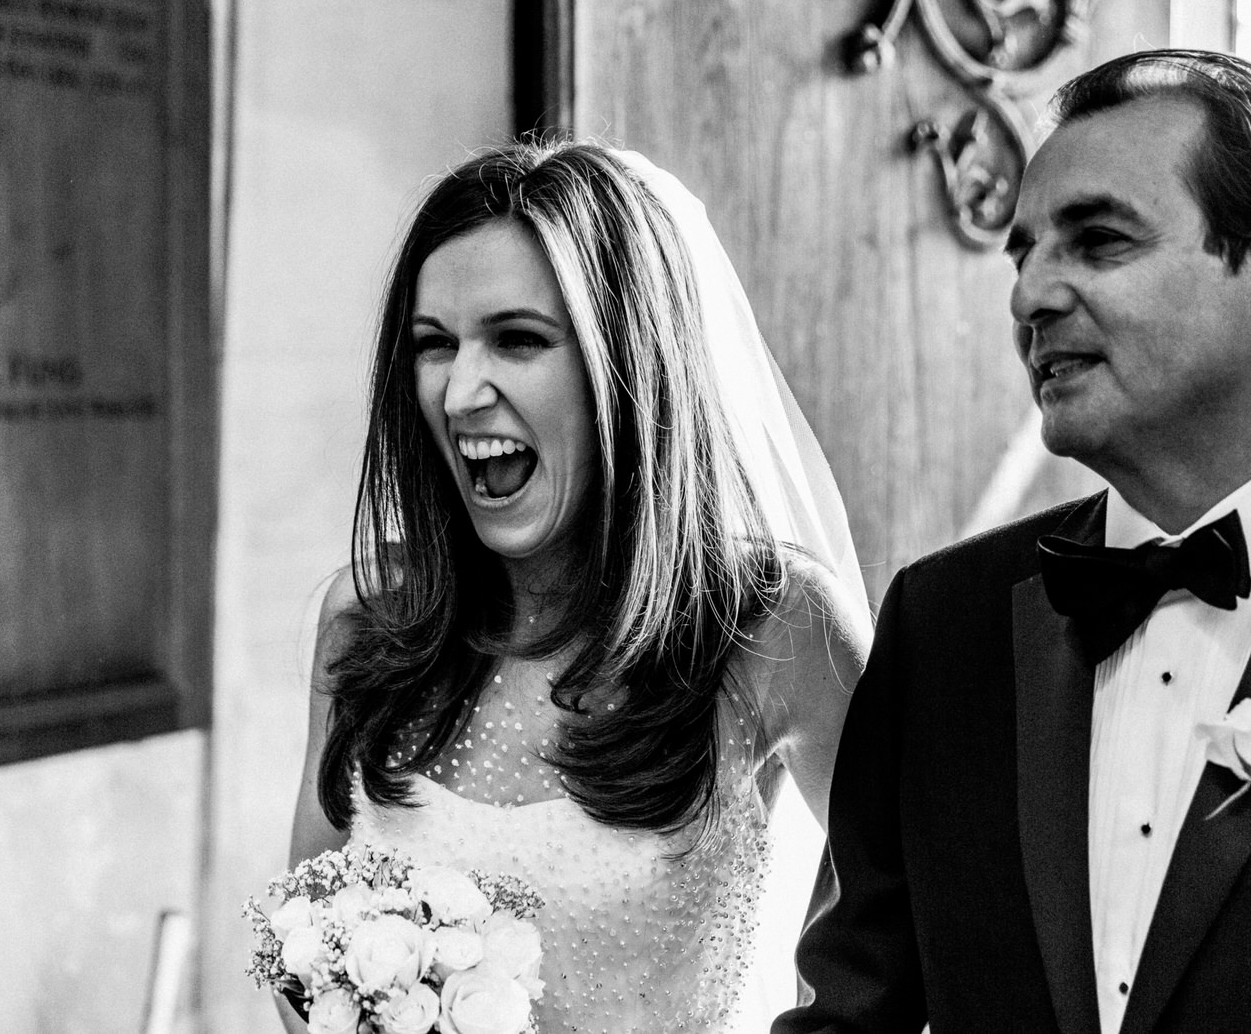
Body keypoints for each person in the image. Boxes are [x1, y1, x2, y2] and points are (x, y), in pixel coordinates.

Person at [777, 49, 1251, 1034]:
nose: (1030, 295)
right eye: (1025, 253)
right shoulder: (941, 619)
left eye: (1097, 243)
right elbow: (848, 1010)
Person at [285, 141, 871, 1034]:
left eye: (518, 340)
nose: (460, 391)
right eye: (434, 345)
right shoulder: (367, 619)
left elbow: (911, 940)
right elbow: (306, 937)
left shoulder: (771, 624)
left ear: (628, 362)